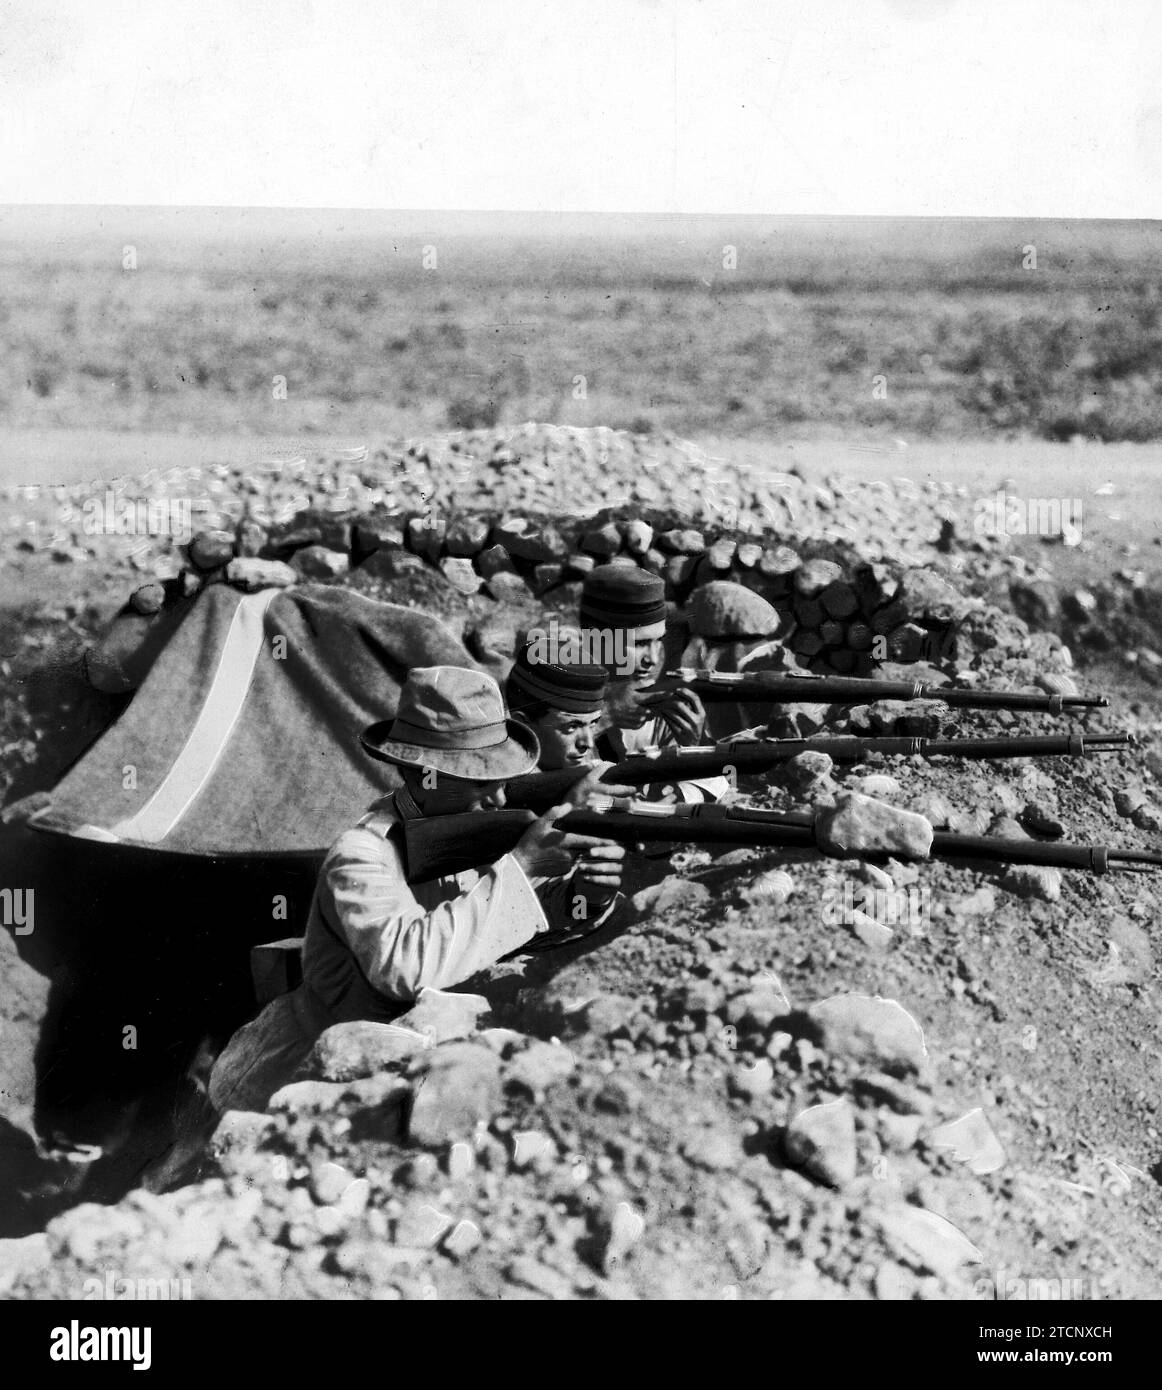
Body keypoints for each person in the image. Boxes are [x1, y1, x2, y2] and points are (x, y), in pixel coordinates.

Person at [208, 666, 624, 1114]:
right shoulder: (362, 854)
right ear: (423, 775)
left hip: (415, 1056)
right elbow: (408, 966)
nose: (500, 800)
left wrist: (585, 895)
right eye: (481, 783)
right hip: (305, 1069)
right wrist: (522, 865)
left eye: (503, 783)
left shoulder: (470, 827)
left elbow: (510, 924)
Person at [578, 564, 729, 803]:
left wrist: (696, 749)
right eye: (639, 644)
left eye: (658, 641)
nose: (654, 658)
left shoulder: (649, 701)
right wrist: (605, 716)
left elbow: (722, 782)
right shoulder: (552, 690)